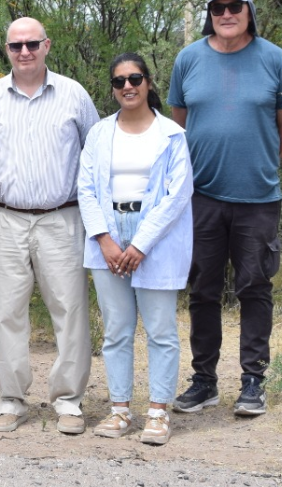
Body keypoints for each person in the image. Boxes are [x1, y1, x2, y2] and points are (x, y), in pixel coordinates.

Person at [169, 0, 282, 418]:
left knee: (254, 287)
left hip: (258, 197)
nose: (226, 14)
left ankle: (253, 381)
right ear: (210, 13)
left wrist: (254, 160)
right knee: (202, 289)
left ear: (249, 10)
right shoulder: (189, 59)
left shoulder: (276, 60)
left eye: (234, 6)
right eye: (217, 7)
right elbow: (179, 125)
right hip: (201, 195)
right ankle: (204, 381)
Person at [0, 17, 100, 434]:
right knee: (6, 311)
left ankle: (69, 401)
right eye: (16, 46)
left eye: (32, 44)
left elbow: (96, 153)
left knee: (70, 309)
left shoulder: (74, 95)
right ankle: (11, 400)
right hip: (5, 216)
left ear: (47, 45)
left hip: (63, 216)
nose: (24, 52)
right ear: (6, 49)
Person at [78, 53, 193, 446]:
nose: (127, 86)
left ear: (148, 82)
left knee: (160, 330)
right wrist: (104, 239)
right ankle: (120, 410)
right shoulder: (99, 134)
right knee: (116, 330)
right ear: (112, 88)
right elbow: (86, 189)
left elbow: (179, 194)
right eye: (119, 81)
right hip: (108, 235)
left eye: (135, 78)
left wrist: (142, 243)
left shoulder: (171, 135)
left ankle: (158, 412)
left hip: (156, 237)